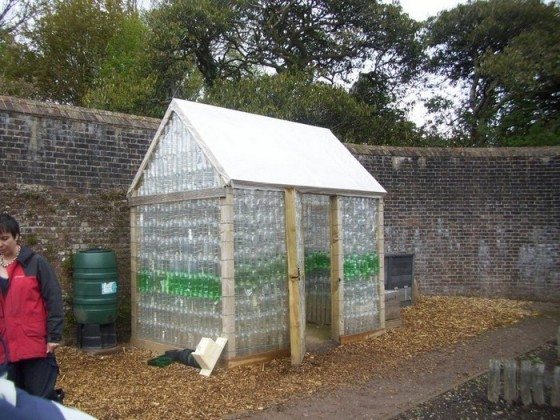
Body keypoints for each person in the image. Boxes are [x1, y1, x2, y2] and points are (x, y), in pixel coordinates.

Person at [0, 213, 64, 401]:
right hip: (5, 349)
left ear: (17, 236)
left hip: (34, 345)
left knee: (40, 401)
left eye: (5, 238)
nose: (1, 244)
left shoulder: (35, 263)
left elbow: (53, 298)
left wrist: (54, 336)